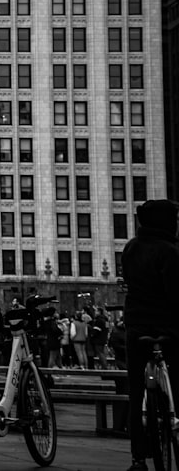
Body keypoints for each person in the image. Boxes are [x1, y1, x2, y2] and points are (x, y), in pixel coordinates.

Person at [121, 199, 179, 471]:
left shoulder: (131, 247)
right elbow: (174, 294)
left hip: (135, 326)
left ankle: (138, 458)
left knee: (136, 391)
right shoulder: (170, 251)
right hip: (167, 327)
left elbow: (129, 282)